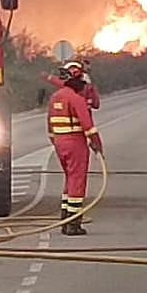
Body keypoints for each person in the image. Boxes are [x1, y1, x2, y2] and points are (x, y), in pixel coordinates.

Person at [47, 62, 103, 236]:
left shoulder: (55, 97)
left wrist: (56, 141)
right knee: (77, 182)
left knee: (70, 180)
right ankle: (73, 223)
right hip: (75, 143)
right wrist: (97, 145)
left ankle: (65, 219)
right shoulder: (76, 99)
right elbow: (89, 127)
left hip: (59, 143)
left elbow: (50, 126)